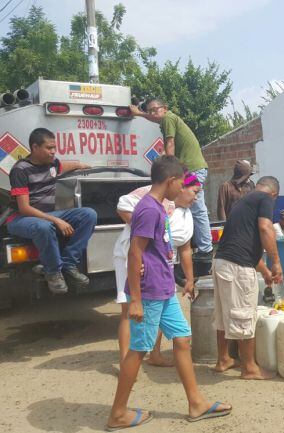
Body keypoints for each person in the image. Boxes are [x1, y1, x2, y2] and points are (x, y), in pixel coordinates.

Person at [106, 156, 230, 430]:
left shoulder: (160, 208)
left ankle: (196, 403)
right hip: (149, 292)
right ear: (171, 181)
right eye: (180, 184)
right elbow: (134, 251)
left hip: (164, 288)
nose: (182, 190)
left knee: (183, 338)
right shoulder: (149, 209)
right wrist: (135, 299)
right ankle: (117, 413)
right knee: (139, 350)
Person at [113, 175, 201, 368]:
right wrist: (145, 237)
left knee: (161, 309)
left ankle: (155, 354)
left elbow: (185, 248)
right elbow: (122, 206)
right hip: (136, 260)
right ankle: (125, 361)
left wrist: (189, 279)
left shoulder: (185, 214)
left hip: (162, 267)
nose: (196, 198)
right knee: (129, 311)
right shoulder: (153, 202)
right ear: (179, 186)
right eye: (194, 192)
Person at [6, 128, 94, 294]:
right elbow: (24, 208)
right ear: (35, 147)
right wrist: (57, 221)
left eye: (54, 147)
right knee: (44, 227)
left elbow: (64, 165)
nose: (53, 151)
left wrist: (80, 165)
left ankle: (68, 264)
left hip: (47, 215)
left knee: (88, 214)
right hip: (21, 218)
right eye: (49, 148)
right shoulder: (20, 170)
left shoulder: (52, 163)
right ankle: (53, 272)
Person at [212, 176, 283, 380]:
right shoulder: (265, 199)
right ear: (274, 194)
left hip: (221, 263)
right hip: (236, 268)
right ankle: (250, 368)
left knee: (224, 315)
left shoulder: (242, 202)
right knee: (244, 314)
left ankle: (224, 359)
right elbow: (265, 228)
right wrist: (275, 261)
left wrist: (264, 271)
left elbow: (243, 244)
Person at [131, 98, 212, 259]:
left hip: (193, 169)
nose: (153, 113)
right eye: (150, 110)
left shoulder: (168, 119)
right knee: (183, 206)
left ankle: (205, 250)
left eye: (156, 109)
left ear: (165, 108)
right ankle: (191, 246)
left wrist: (169, 169)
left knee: (196, 207)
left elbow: (170, 144)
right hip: (191, 168)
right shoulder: (167, 119)